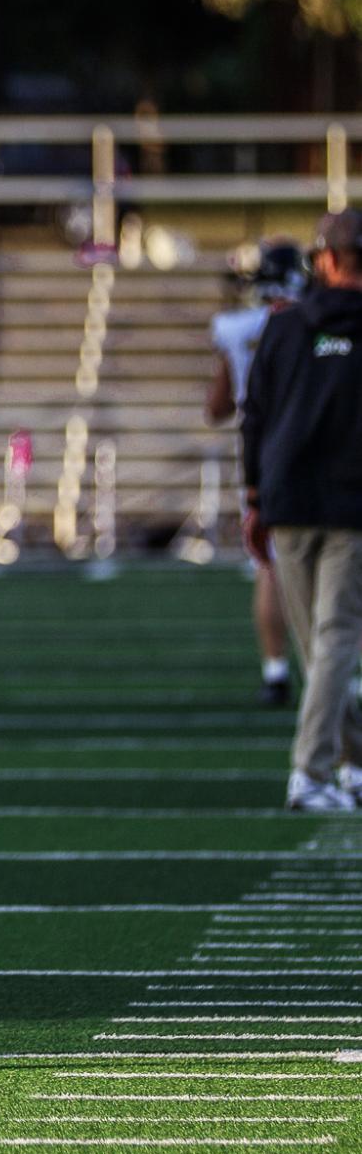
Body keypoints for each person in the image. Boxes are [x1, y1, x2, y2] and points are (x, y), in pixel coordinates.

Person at [242, 209, 362, 813]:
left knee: (322, 644)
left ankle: (353, 763)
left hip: (289, 498)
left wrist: (255, 496)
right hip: (348, 503)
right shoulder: (289, 328)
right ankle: (312, 774)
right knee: (332, 641)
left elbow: (253, 415)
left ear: (327, 259)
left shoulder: (285, 328)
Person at [207, 240, 309, 706]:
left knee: (269, 564)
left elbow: (217, 407)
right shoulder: (311, 321)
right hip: (315, 446)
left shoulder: (235, 328)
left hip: (259, 454)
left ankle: (275, 672)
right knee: (338, 564)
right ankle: (338, 672)